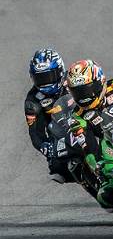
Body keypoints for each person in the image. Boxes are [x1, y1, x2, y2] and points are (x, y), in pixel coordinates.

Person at [24, 48, 73, 182]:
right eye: (40, 78)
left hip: (86, 121)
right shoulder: (33, 100)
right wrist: (45, 147)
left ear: (60, 71)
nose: (45, 82)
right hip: (60, 135)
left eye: (49, 76)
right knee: (57, 167)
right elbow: (35, 132)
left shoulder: (73, 80)